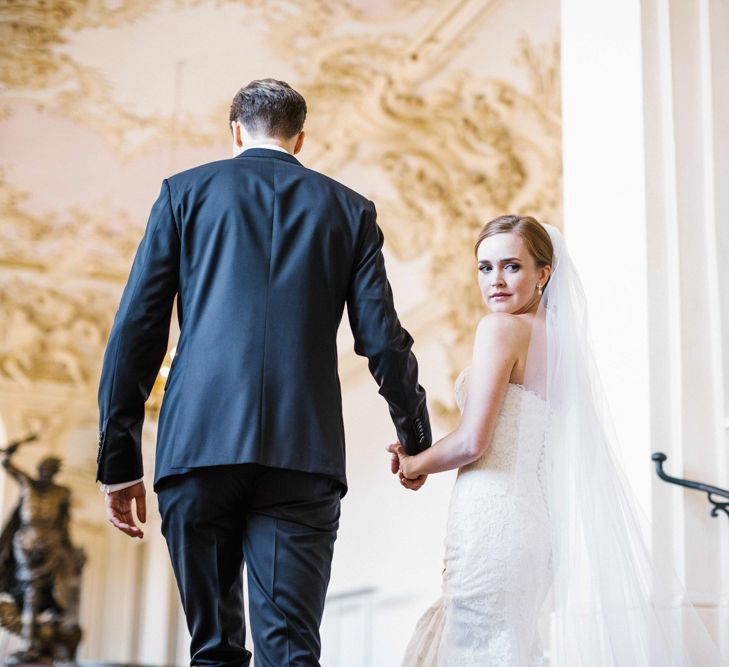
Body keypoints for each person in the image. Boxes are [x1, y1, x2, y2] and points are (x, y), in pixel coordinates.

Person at [96, 78, 431, 665]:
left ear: (234, 132)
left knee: (215, 651)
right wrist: (415, 436)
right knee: (291, 652)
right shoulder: (350, 209)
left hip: (197, 450)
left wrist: (119, 460)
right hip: (302, 455)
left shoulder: (183, 193)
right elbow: (382, 340)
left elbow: (136, 333)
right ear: (300, 138)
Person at [390, 215, 721, 665]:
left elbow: (473, 442)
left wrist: (413, 464)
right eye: (485, 268)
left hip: (490, 520)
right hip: (532, 527)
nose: (496, 281)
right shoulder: (562, 345)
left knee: (474, 648)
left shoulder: (500, 329)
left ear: (544, 273)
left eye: (512, 266)